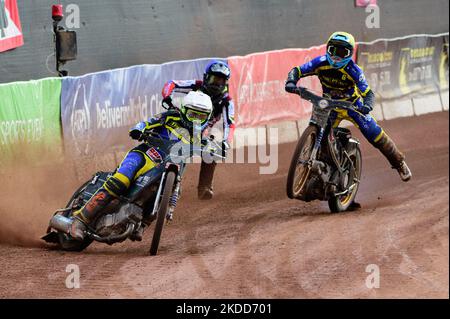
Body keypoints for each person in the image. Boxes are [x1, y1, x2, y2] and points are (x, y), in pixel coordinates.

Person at [69, 91, 214, 241]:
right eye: (193, 115)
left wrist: (215, 149)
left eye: (201, 117)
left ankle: (142, 224)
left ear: (207, 117)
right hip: (145, 155)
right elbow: (148, 122)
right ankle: (80, 220)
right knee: (120, 181)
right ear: (184, 110)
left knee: (170, 191)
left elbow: (209, 146)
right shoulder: (170, 116)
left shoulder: (200, 135)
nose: (196, 120)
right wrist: (139, 129)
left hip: (171, 167)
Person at [285, 31, 412, 185]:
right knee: (321, 136)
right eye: (333, 50)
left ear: (350, 54)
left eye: (341, 52)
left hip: (353, 106)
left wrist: (367, 105)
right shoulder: (320, 62)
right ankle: (321, 170)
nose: (336, 56)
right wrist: (291, 81)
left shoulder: (354, 71)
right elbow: (297, 70)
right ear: (328, 49)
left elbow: (368, 93)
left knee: (374, 134)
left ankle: (399, 163)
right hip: (329, 106)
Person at [161, 60, 236, 200]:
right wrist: (167, 97)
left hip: (201, 131)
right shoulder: (197, 85)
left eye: (220, 80)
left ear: (226, 82)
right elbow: (171, 84)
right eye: (214, 79)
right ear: (206, 77)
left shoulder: (227, 100)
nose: (216, 83)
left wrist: (226, 141)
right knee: (163, 138)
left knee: (212, 152)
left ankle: (204, 188)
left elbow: (229, 123)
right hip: (181, 122)